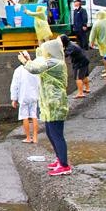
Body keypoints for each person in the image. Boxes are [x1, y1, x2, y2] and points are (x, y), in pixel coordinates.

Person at [18, 38, 71, 176]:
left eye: (46, 50)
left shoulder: (55, 63)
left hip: (56, 103)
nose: (44, 53)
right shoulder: (53, 61)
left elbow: (35, 69)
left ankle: (64, 165)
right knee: (50, 133)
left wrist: (25, 61)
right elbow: (38, 62)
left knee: (57, 135)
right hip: (49, 104)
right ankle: (59, 159)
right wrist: (29, 59)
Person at [10, 56, 41, 143]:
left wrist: (14, 99)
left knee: (25, 117)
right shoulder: (34, 68)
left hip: (23, 96)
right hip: (34, 95)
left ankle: (28, 137)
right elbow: (39, 83)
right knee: (34, 116)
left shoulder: (18, 70)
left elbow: (14, 85)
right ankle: (35, 137)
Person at [89, 10, 106, 77]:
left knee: (105, 56)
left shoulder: (97, 23)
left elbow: (93, 34)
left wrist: (91, 42)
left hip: (102, 42)